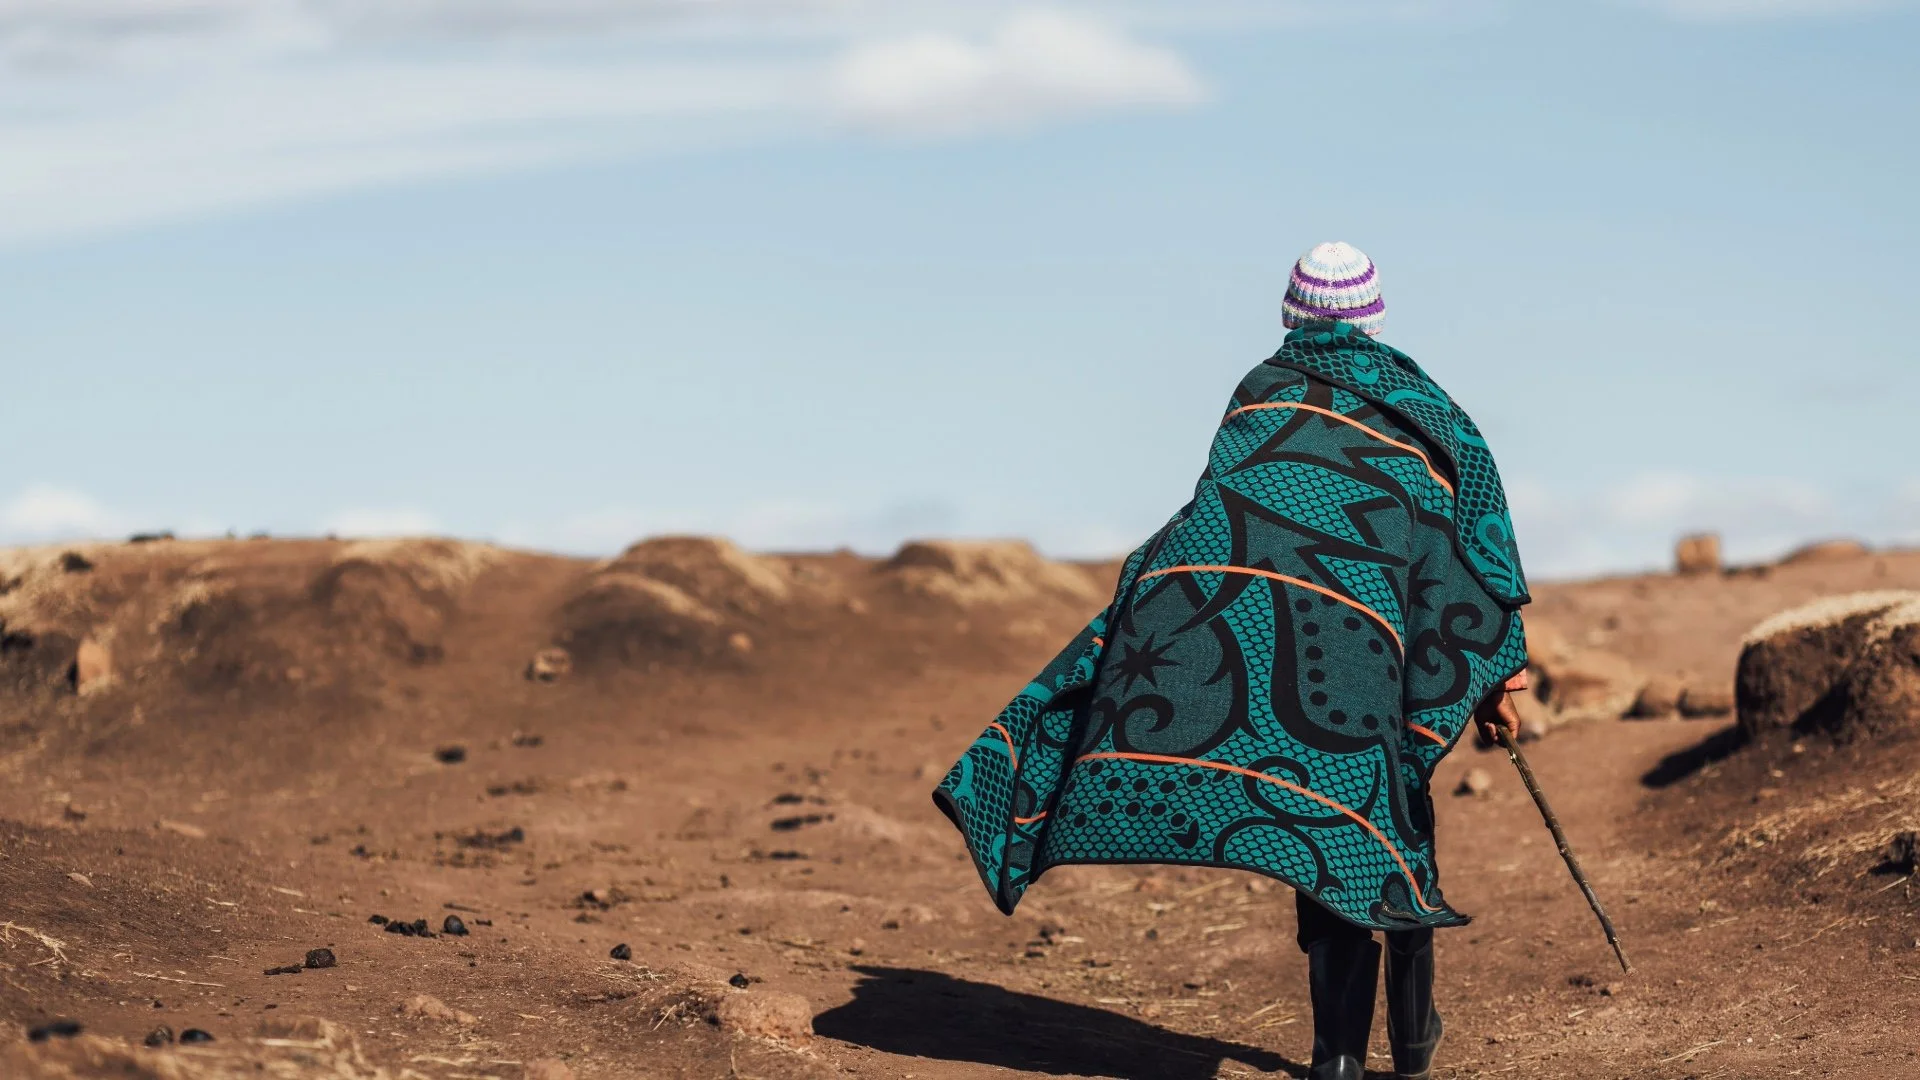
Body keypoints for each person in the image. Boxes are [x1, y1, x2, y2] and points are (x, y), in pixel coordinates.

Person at [933, 241, 1531, 1080]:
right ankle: (1409, 1041)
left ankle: (1341, 1060)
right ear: (1375, 317)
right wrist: (1499, 674)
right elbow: (1468, 545)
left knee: (1330, 819)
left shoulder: (1261, 395)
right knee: (1377, 809)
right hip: (1369, 641)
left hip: (1276, 629)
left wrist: (1152, 595)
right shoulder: (1429, 417)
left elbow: (1218, 516)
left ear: (1291, 315)